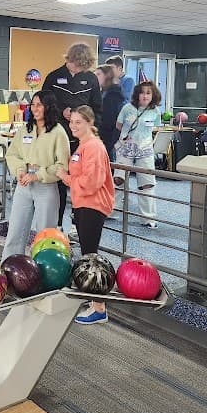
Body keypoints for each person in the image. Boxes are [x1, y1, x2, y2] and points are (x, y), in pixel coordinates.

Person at [56, 105, 114, 324]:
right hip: (83, 204)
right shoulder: (83, 145)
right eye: (71, 122)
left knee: (90, 257)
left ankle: (99, 309)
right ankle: (92, 299)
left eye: (78, 122)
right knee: (88, 254)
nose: (73, 126)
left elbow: (92, 182)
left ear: (90, 123)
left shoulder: (94, 147)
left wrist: (66, 177)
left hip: (93, 205)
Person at [1, 90, 70, 260]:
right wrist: (20, 170)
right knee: (15, 230)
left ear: (49, 106)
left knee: (45, 235)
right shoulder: (25, 129)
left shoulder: (58, 132)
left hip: (46, 186)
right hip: (24, 185)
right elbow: (12, 154)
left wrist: (38, 175)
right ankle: (9, 265)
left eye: (39, 105)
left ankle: (42, 270)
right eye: (33, 104)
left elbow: (62, 165)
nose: (35, 108)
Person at [44, 42, 102, 225]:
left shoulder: (91, 79)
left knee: (81, 184)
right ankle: (57, 224)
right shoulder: (53, 77)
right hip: (58, 137)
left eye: (83, 67)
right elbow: (42, 106)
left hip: (82, 141)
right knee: (58, 183)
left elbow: (97, 110)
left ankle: (79, 224)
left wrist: (87, 124)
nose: (79, 70)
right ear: (70, 59)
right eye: (77, 65)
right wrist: (61, 112)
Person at [113, 80, 163, 228]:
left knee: (147, 184)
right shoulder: (127, 108)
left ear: (153, 95)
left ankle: (148, 218)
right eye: (142, 93)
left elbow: (155, 128)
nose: (145, 96)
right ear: (137, 94)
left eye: (148, 93)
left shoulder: (155, 112)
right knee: (118, 180)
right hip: (126, 148)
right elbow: (118, 125)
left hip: (145, 150)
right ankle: (112, 212)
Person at [95, 64, 126, 161]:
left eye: (98, 74)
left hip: (108, 137)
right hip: (103, 135)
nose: (95, 77)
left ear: (107, 75)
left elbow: (110, 120)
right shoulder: (102, 93)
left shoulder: (113, 94)